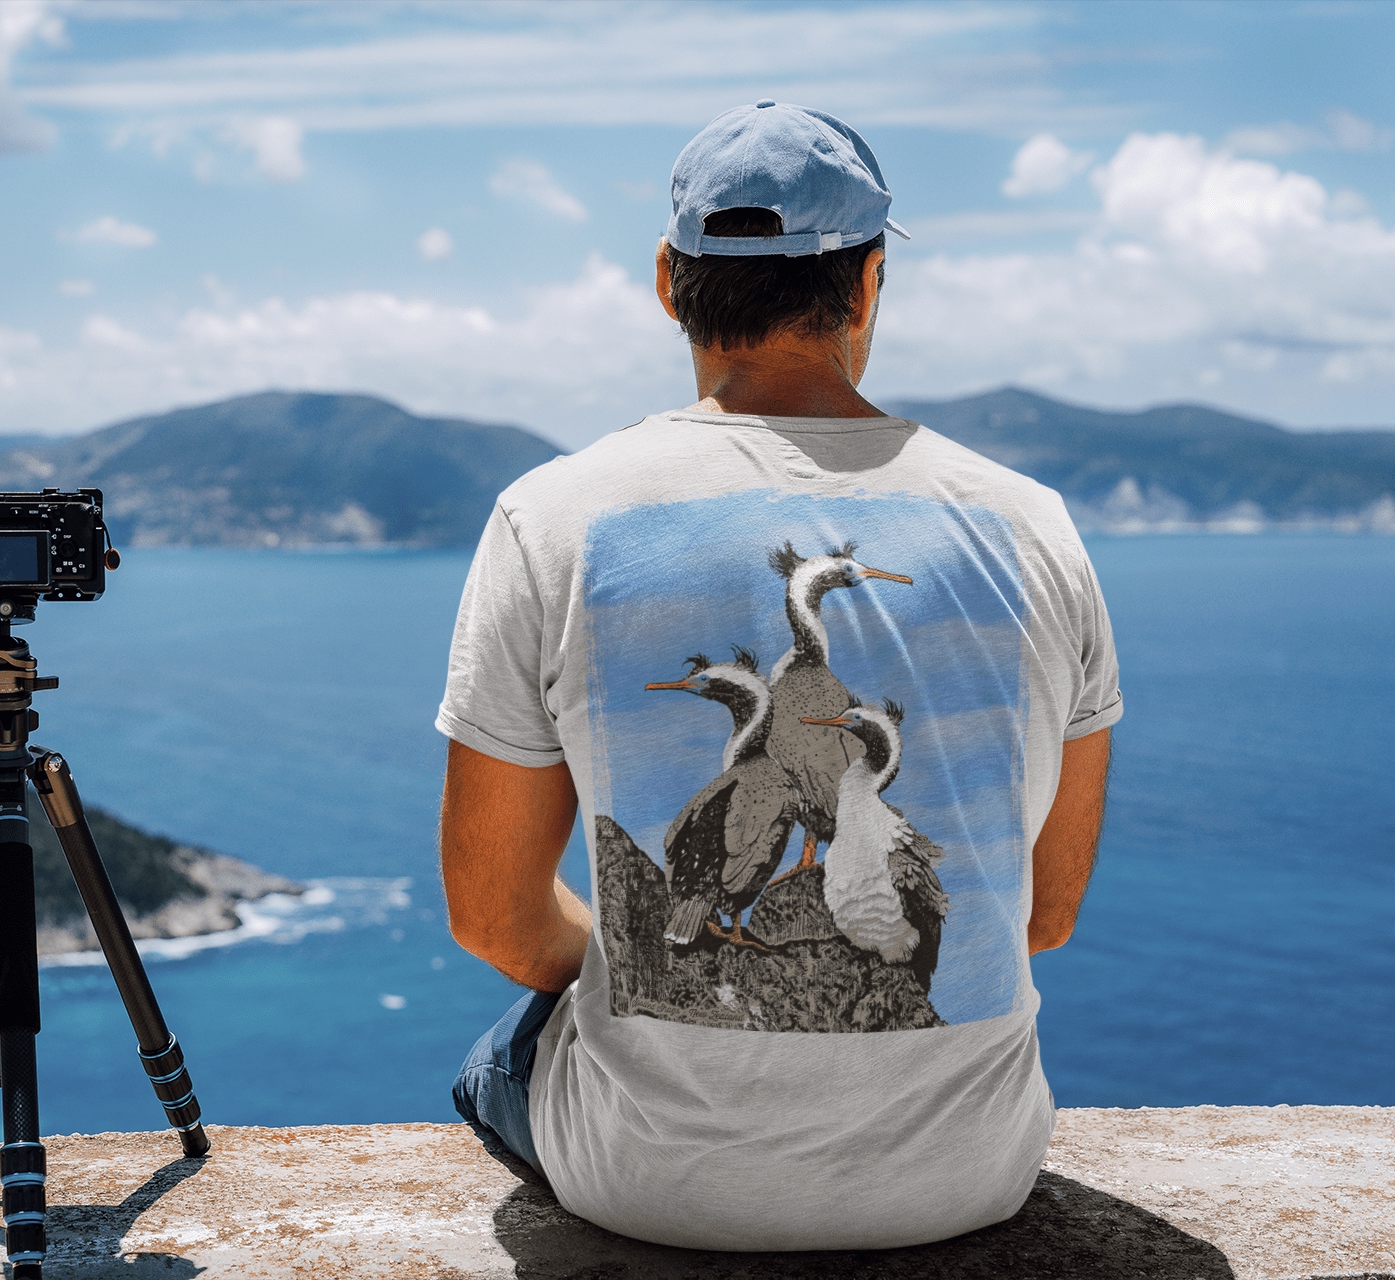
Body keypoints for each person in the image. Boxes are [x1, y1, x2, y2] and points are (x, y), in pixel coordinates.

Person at [434, 101, 1119, 1252]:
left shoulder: (548, 517)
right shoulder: (1034, 527)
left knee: (500, 1048)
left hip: (645, 1187)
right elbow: (1041, 915)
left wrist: (642, 961)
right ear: (868, 284)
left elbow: (494, 917)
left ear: (669, 281)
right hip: (972, 1177)